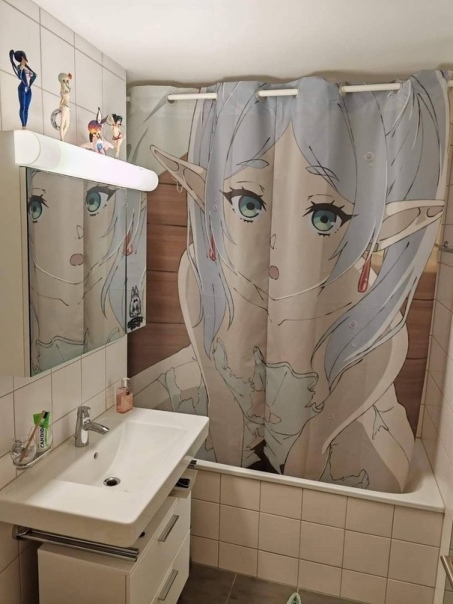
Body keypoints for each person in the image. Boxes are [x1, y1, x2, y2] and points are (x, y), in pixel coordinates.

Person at [135, 72, 449, 492]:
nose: (278, 252)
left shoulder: (372, 332)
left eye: (324, 217)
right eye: (247, 204)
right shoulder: (198, 305)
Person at [9, 50, 37, 128]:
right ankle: (23, 124)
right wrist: (21, 67)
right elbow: (19, 77)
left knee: (26, 108)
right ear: (22, 58)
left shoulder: (26, 67)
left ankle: (25, 125)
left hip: (28, 89)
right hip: (22, 88)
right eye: (24, 57)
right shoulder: (20, 67)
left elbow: (33, 76)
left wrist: (33, 76)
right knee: (22, 107)